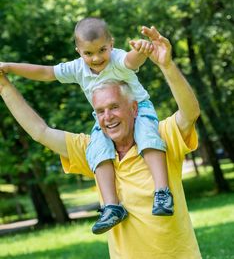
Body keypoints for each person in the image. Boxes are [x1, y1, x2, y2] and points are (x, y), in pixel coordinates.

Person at [0, 26, 201, 259]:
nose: (107, 117)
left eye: (114, 107)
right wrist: (4, 85)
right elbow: (40, 132)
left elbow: (190, 112)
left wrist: (166, 65)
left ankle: (161, 193)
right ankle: (111, 208)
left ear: (133, 107)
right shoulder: (95, 151)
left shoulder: (160, 137)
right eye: (100, 111)